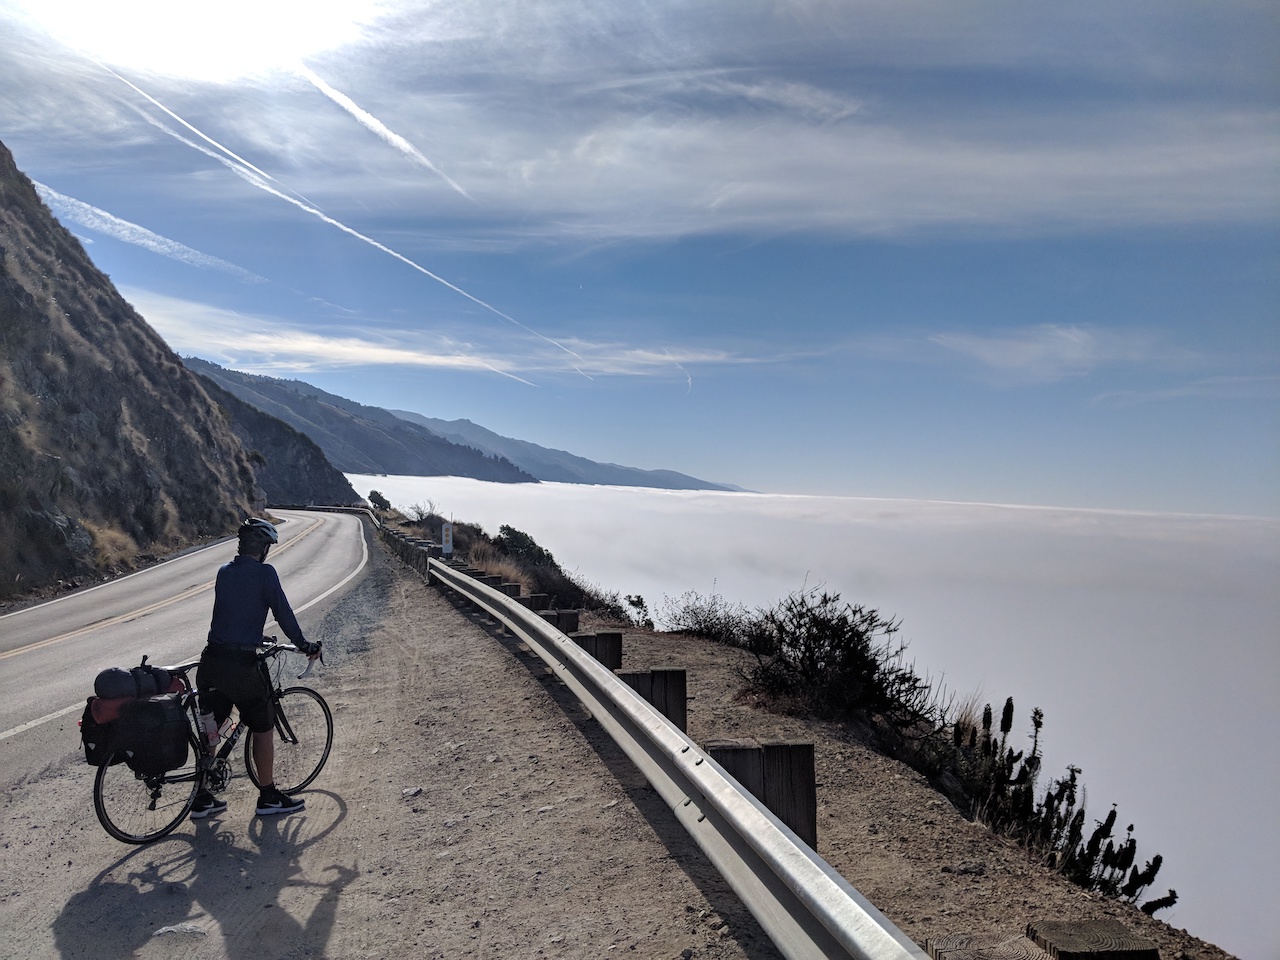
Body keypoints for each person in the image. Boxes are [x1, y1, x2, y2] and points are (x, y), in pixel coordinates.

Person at [191, 518, 322, 819]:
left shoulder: (224, 572)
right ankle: (268, 797)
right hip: (240, 667)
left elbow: (229, 614)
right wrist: (305, 645)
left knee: (212, 728)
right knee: (263, 726)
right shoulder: (265, 574)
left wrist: (255, 634)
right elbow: (284, 615)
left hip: (210, 662)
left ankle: (201, 797)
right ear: (263, 548)